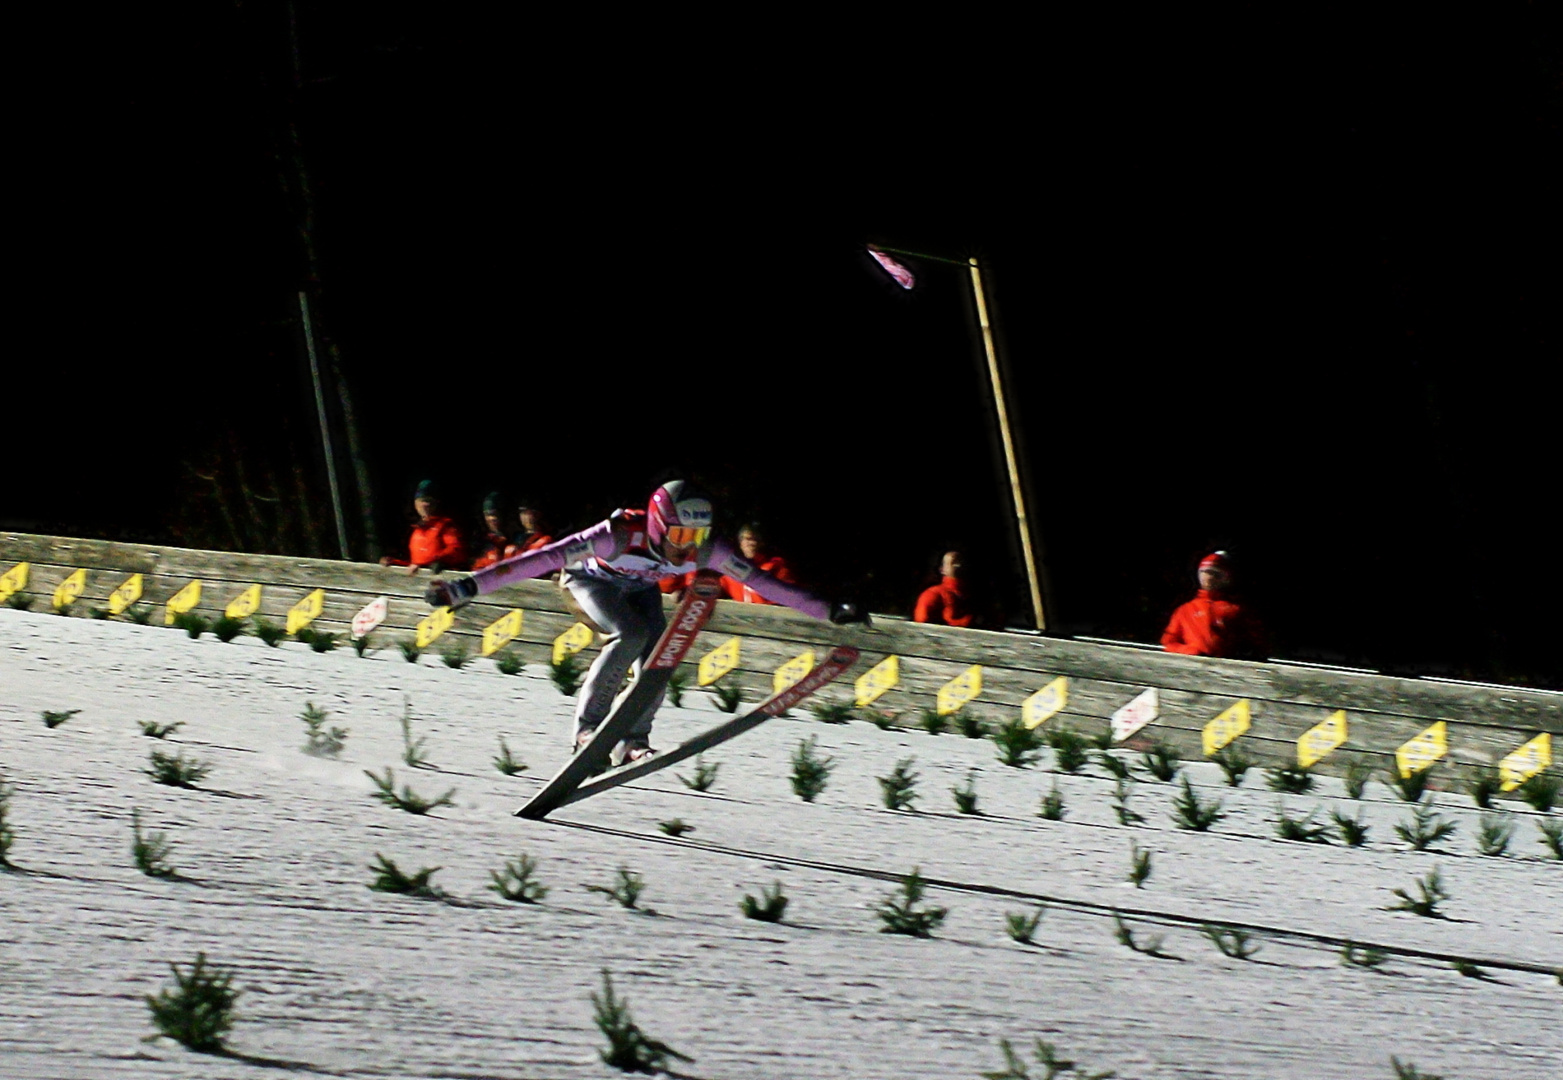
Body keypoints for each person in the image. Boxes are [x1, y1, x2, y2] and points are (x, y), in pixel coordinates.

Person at [425, 480, 867, 764]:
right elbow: (540, 558)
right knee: (630, 634)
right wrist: (465, 589)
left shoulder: (707, 548)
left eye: (695, 538)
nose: (686, 549)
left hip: (639, 589)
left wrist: (829, 610)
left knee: (663, 652)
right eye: (678, 536)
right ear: (657, 527)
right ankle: (587, 730)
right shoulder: (616, 536)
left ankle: (633, 739)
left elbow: (769, 585)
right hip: (587, 583)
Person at [1160, 551, 1267, 659]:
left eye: (1216, 574)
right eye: (1205, 572)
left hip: (1228, 670)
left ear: (1226, 578)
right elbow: (1169, 642)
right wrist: (1189, 651)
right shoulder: (1185, 610)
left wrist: (1239, 657)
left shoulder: (1237, 610)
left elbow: (1258, 644)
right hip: (1191, 668)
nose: (1209, 578)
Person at [380, 480, 468, 574]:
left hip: (439, 580)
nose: (425, 505)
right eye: (421, 501)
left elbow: (456, 550)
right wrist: (394, 563)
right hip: (417, 581)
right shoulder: (415, 529)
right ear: (415, 504)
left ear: (436, 503)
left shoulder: (445, 526)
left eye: (429, 501)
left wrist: (435, 561)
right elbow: (413, 565)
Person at [721, 523, 796, 603]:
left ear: (761, 543)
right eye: (748, 539)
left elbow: (793, 596)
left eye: (755, 539)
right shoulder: (730, 574)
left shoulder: (776, 567)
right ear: (740, 543)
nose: (752, 543)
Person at [913, 550, 977, 628]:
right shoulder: (932, 594)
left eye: (961, 562)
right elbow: (922, 625)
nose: (958, 565)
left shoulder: (973, 595)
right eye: (953, 562)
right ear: (942, 569)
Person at [471, 492, 513, 571]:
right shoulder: (481, 541)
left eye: (495, 514)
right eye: (488, 515)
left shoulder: (516, 540)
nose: (492, 518)